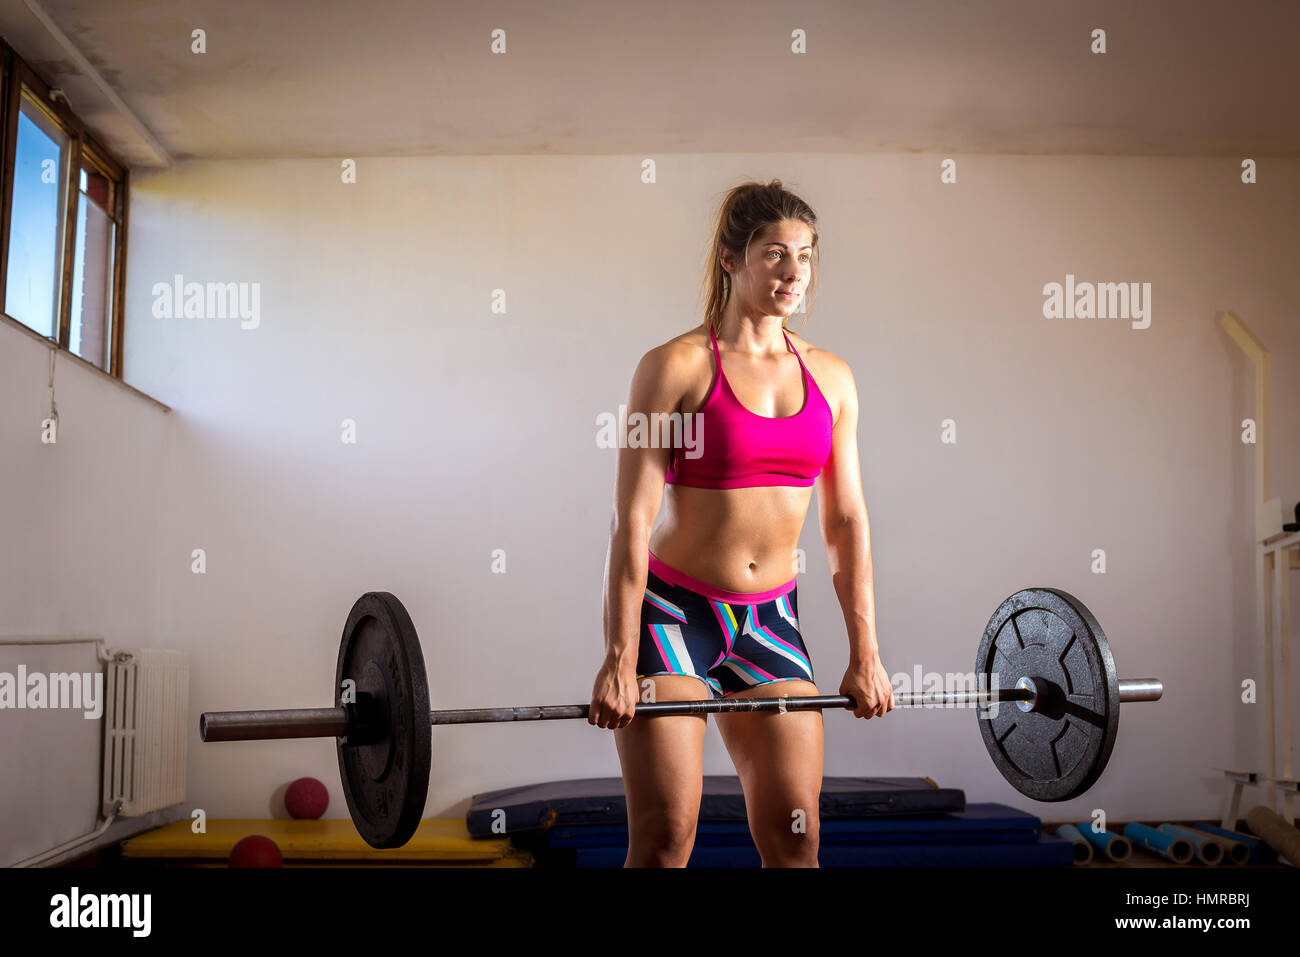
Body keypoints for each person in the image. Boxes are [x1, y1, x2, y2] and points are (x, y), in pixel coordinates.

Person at [588, 179, 894, 868]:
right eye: (775, 253)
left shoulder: (833, 378)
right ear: (731, 258)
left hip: (770, 622)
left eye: (807, 256)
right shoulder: (672, 367)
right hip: (672, 616)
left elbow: (845, 522)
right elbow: (631, 520)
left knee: (797, 836)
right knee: (667, 837)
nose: (794, 272)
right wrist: (618, 655)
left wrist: (864, 652)